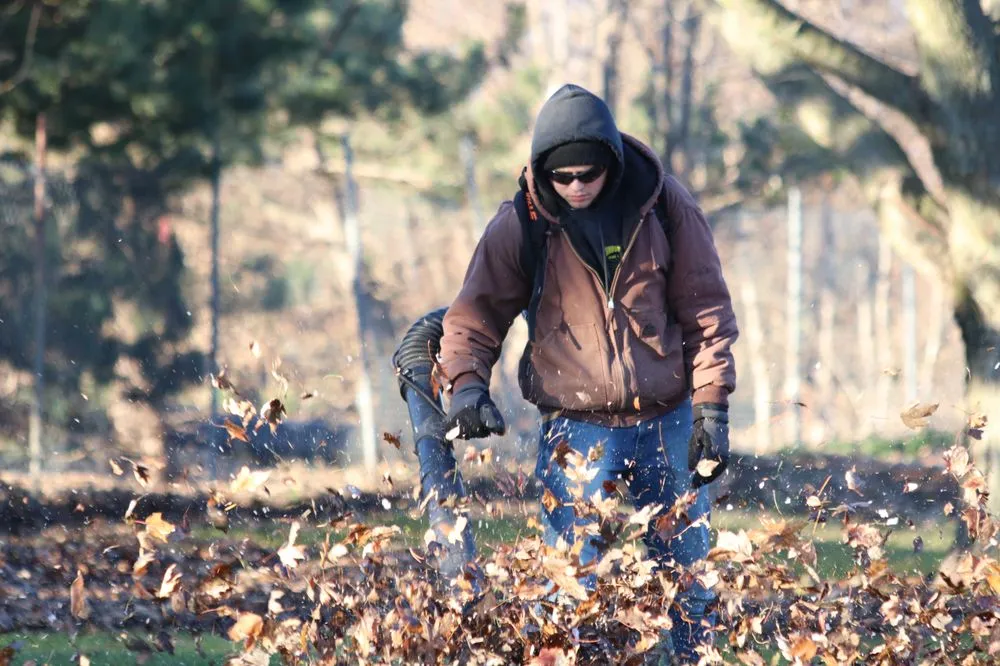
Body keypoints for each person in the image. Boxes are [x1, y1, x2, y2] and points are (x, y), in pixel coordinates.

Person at [437, 83, 738, 663]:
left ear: (611, 164)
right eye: (562, 177)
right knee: (570, 585)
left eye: (587, 174)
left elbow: (707, 311)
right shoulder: (520, 224)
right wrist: (468, 385)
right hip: (576, 428)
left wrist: (712, 407)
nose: (576, 186)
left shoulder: (666, 207)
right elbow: (474, 314)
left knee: (690, 577)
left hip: (669, 419)